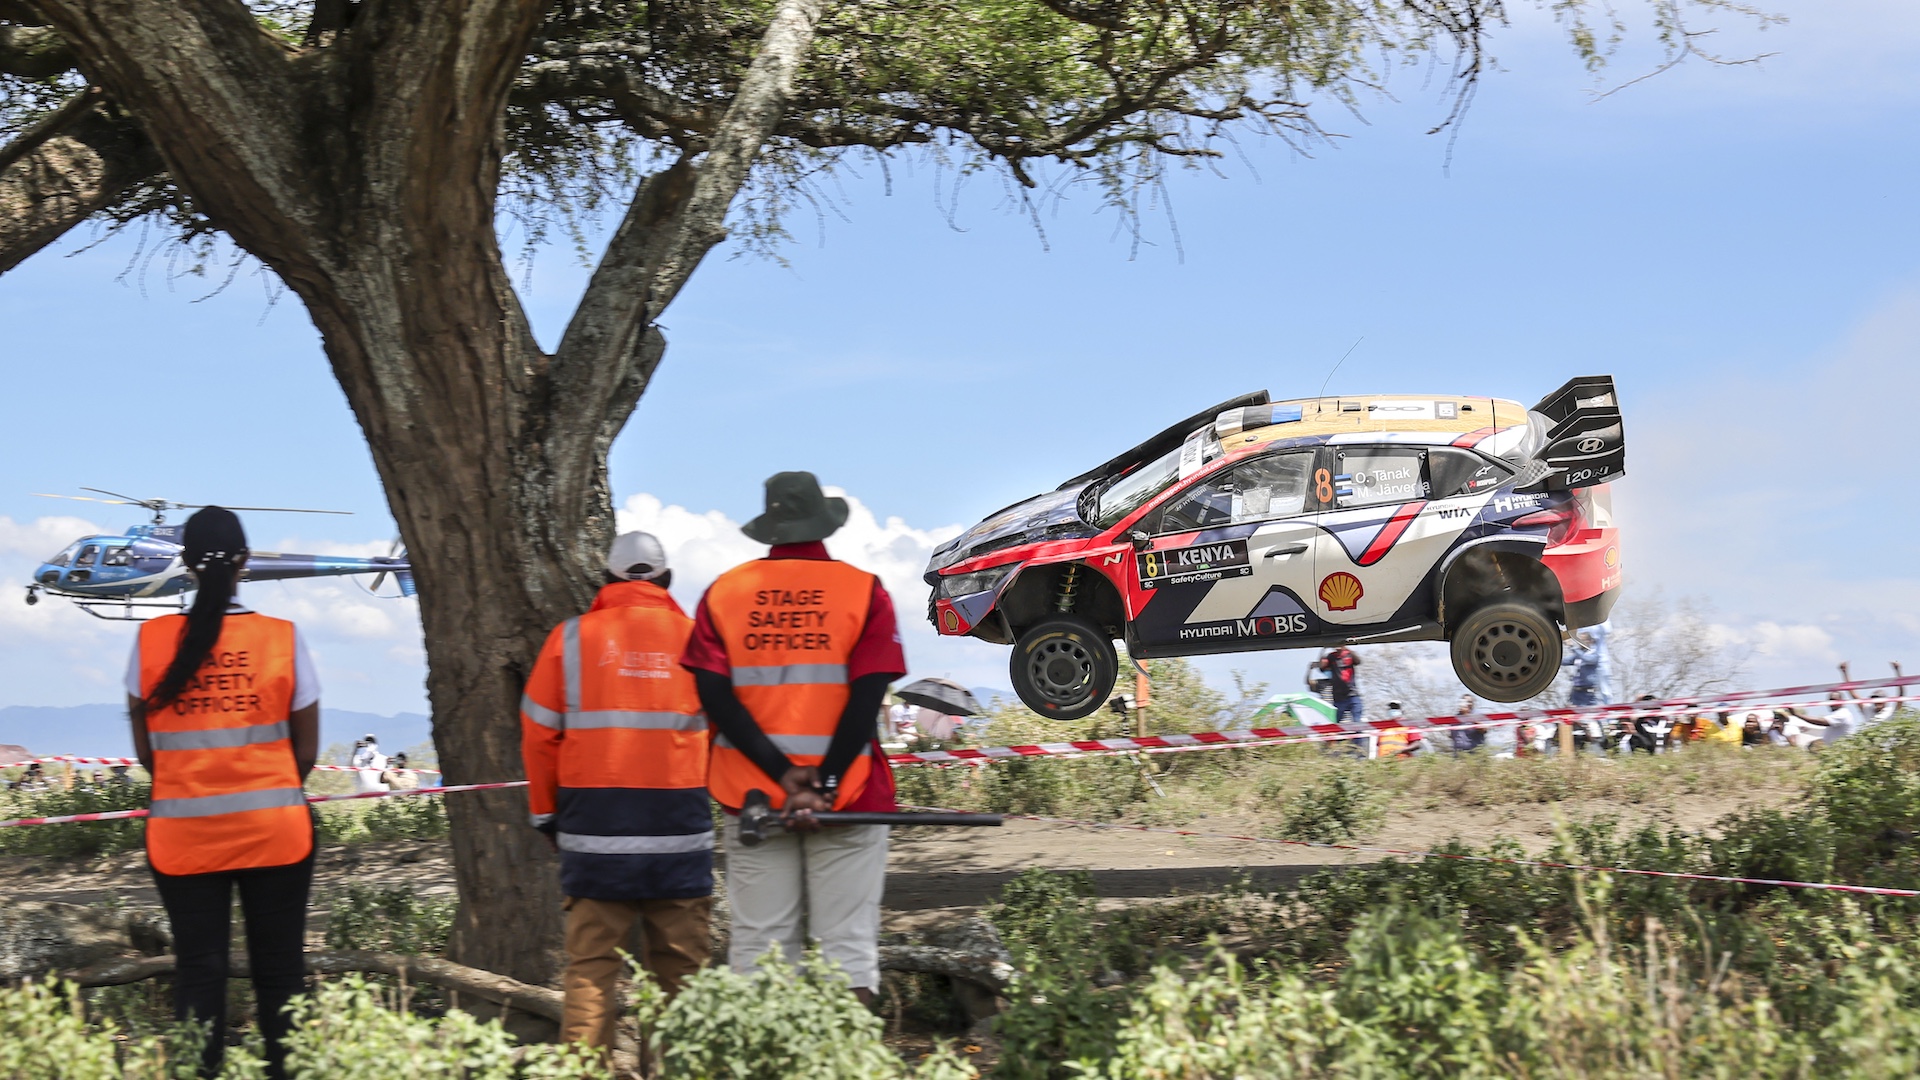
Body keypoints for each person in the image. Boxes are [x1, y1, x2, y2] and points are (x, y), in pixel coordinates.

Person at [681, 472, 907, 1003]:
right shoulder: (864, 590)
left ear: (770, 526)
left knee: (760, 955)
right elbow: (867, 696)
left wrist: (785, 777)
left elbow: (716, 699)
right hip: (850, 797)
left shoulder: (722, 594)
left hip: (755, 800)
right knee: (847, 955)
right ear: (823, 523)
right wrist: (824, 784)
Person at [124, 508, 318, 1080]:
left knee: (199, 974)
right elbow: (304, 751)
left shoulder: (150, 641)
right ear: (245, 564)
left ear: (183, 566)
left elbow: (147, 753)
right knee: (281, 975)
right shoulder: (281, 639)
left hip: (183, 839)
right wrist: (267, 786)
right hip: (276, 834)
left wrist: (193, 786)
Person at [521, 531, 713, 1049]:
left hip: (593, 832)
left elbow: (538, 735)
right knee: (683, 977)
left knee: (590, 969)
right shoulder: (697, 641)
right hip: (679, 832)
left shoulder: (569, 639)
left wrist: (545, 814)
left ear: (605, 579)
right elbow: (724, 735)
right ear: (667, 579)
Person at [1319, 647, 1363, 723]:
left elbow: (1358, 661)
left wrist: (1346, 648)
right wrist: (1323, 650)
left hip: (1352, 693)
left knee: (1357, 718)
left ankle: (1359, 733)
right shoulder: (1331, 656)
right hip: (1339, 696)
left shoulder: (1349, 654)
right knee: (1336, 721)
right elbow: (1322, 667)